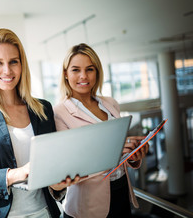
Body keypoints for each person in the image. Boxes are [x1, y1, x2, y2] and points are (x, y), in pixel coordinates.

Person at [0, 28, 78, 218]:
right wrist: (16, 174)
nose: (7, 70)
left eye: (13, 61)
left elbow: (52, 168)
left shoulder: (43, 109)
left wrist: (57, 185)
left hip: (44, 213)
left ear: (22, 65)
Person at [54, 43, 149, 218]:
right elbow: (70, 164)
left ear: (97, 72)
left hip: (121, 191)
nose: (83, 76)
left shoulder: (110, 103)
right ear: (66, 74)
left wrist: (132, 154)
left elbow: (119, 148)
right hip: (87, 205)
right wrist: (115, 151)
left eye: (89, 69)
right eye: (76, 70)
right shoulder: (59, 112)